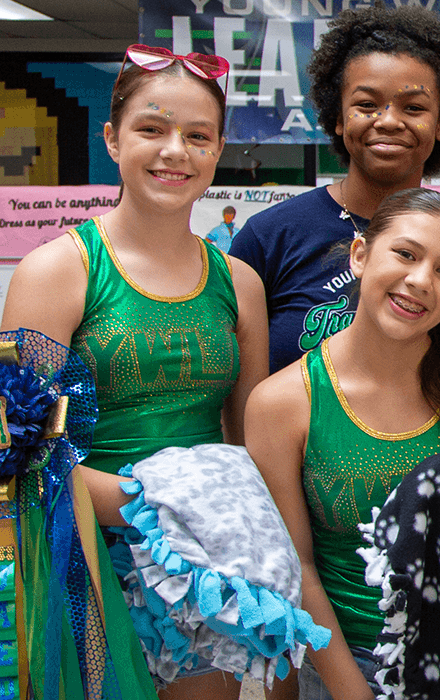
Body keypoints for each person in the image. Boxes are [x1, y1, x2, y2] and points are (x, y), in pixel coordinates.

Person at [0, 45, 268, 700]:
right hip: (83, 564)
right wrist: (152, 505)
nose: (174, 151)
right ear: (112, 138)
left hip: (201, 570)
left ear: (218, 151)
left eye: (197, 136)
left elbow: (251, 441)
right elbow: (16, 448)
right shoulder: (58, 271)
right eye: (152, 129)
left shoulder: (240, 285)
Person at [245, 188, 440, 700]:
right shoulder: (282, 403)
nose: (420, 281)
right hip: (339, 666)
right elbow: (296, 571)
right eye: (405, 254)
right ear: (360, 255)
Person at [230, 5, 440, 374]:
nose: (388, 120)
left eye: (414, 107)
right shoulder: (268, 240)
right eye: (367, 104)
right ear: (338, 118)